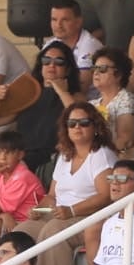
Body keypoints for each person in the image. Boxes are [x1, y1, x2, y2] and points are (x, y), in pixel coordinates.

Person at [15, 103, 117, 265]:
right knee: (21, 232)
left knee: (53, 230)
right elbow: (51, 196)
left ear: (95, 127)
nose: (77, 127)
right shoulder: (64, 156)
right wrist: (38, 210)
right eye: (72, 123)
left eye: (84, 122)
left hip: (90, 217)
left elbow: (106, 196)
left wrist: (71, 210)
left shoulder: (102, 154)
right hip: (60, 215)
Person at [17, 40, 84, 169]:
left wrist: (61, 91)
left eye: (59, 62)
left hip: (50, 158)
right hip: (20, 154)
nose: (51, 65)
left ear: (68, 70)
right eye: (46, 61)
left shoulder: (74, 96)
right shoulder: (30, 93)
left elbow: (79, 117)